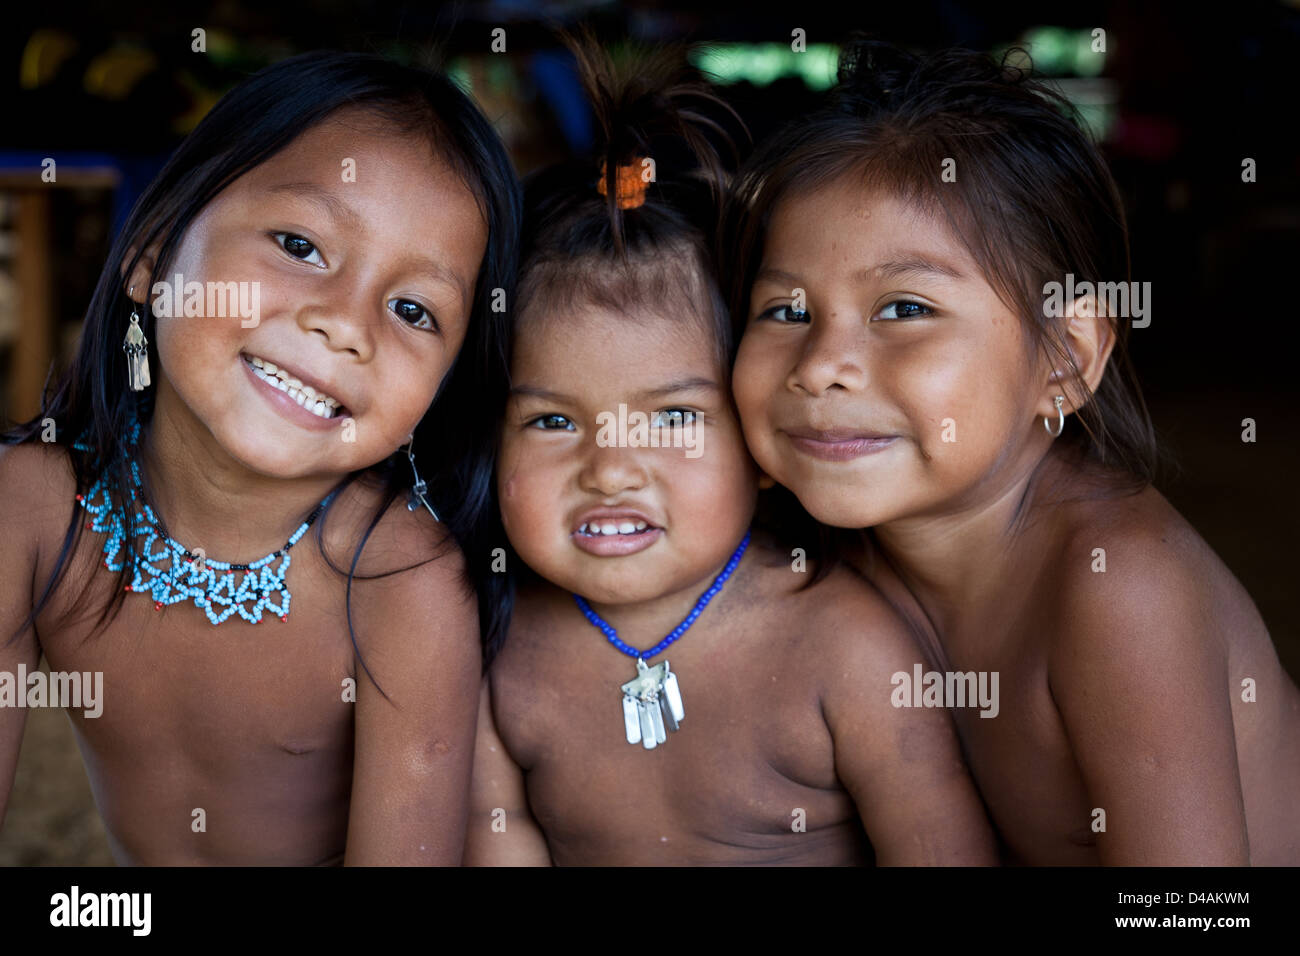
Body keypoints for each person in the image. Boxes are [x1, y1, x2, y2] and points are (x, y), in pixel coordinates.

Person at [724, 37, 1300, 864]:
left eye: (904, 308)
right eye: (784, 311)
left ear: (1063, 360)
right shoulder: (825, 560)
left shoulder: (1116, 588)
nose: (820, 368)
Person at [464, 36, 996, 866]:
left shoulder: (845, 648)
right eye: (552, 423)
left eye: (673, 417)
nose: (610, 467)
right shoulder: (497, 654)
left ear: (756, 437)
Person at [0, 50, 521, 865]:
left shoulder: (402, 586)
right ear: (152, 252)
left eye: (414, 308)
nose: (346, 324)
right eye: (299, 244)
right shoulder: (29, 512)